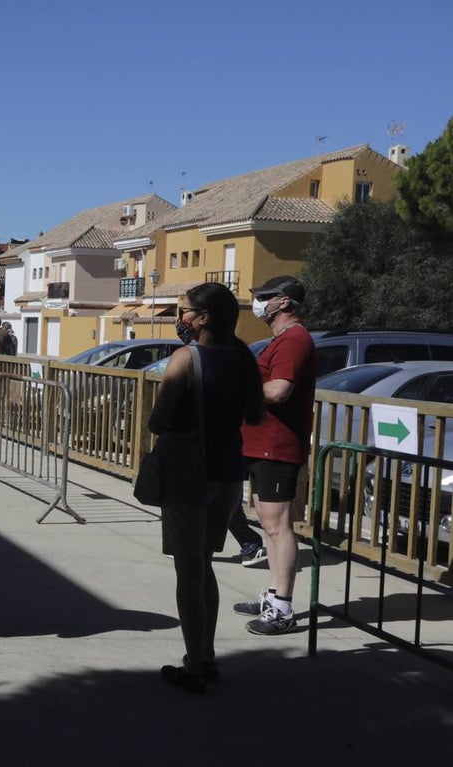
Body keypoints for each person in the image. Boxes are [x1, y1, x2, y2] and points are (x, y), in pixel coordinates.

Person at [149, 283, 265, 693]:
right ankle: (207, 655)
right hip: (229, 475)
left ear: (204, 317)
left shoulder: (186, 359)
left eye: (184, 311)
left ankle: (195, 664)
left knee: (188, 572)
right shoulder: (242, 357)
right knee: (204, 564)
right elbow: (253, 415)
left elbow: (157, 421)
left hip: (188, 475)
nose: (180, 318)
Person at [235, 276, 316, 636]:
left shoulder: (295, 340)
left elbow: (279, 391)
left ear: (283, 302)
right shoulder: (281, 339)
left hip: (277, 447)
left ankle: (282, 607)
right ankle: (272, 594)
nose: (259, 303)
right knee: (268, 525)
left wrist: (238, 388)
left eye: (264, 297)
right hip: (261, 444)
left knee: (279, 527)